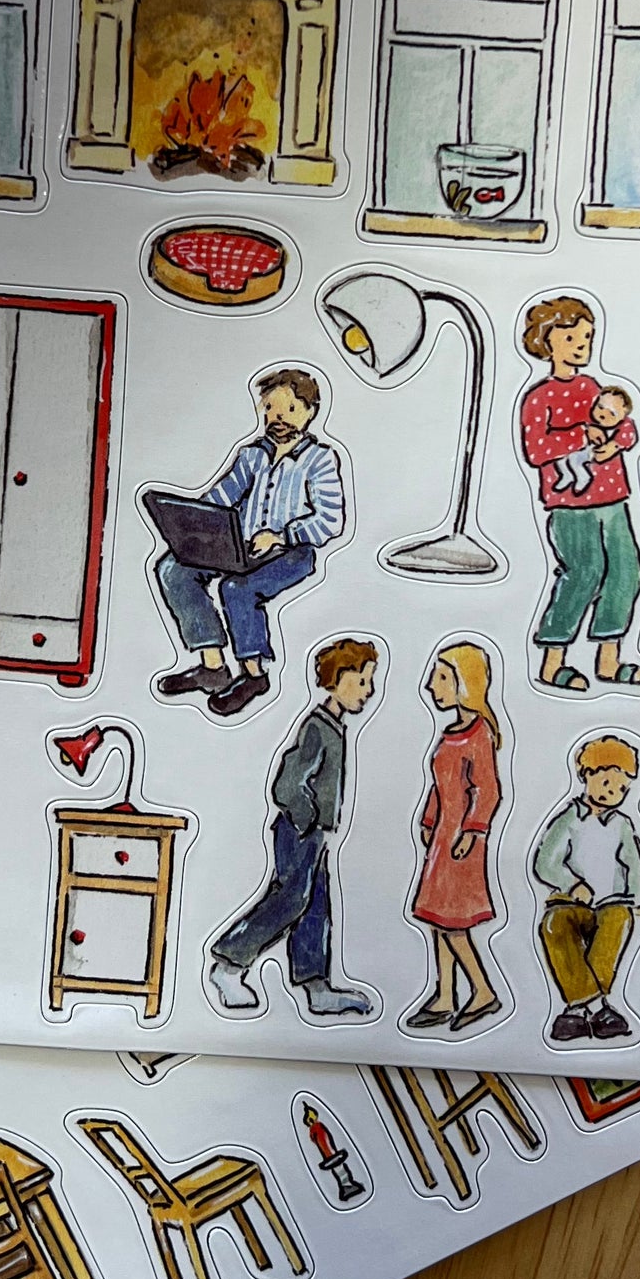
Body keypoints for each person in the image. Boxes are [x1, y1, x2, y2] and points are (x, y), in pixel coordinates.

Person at [156, 367, 346, 719]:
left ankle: (254, 675)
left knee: (237, 588)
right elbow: (222, 496)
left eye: (290, 409)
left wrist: (282, 535)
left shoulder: (319, 460)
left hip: (291, 552)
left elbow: (330, 520)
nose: (278, 417)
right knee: (173, 568)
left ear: (310, 412)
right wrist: (194, 522)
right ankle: (213, 667)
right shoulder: (253, 455)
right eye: (270, 408)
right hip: (241, 545)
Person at [208, 637, 378, 1019]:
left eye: (369, 682)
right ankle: (229, 964)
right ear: (338, 679)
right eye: (362, 681)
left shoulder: (333, 726)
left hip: (314, 833)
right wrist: (307, 819)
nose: (368, 691)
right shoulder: (318, 727)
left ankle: (316, 987)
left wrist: (319, 826)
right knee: (289, 901)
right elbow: (287, 784)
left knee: (315, 907)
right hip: (298, 830)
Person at [517, 297, 640, 691]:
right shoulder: (539, 397)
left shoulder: (592, 388)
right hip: (570, 506)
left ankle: (608, 660)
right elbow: (536, 450)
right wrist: (581, 435)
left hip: (613, 499)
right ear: (547, 342)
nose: (581, 345)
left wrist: (617, 443)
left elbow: (625, 425)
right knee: (584, 574)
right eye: (571, 338)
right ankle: (552, 663)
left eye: (587, 337)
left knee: (626, 573)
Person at [531, 734, 640, 1041]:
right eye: (607, 782)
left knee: (618, 923)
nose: (613, 792)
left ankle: (576, 1012)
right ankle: (599, 1008)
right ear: (586, 775)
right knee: (553, 927)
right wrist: (573, 884)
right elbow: (545, 863)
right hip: (569, 902)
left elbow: (633, 863)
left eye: (622, 788)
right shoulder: (569, 818)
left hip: (612, 902)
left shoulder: (622, 824)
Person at [407, 643, 504, 1032]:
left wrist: (474, 829)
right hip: (442, 836)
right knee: (437, 919)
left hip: (462, 842)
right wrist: (429, 819)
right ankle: (445, 994)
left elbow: (488, 790)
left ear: (465, 683)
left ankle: (482, 991)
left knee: (453, 923)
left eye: (442, 677)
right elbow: (440, 784)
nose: (432, 685)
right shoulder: (451, 734)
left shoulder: (479, 735)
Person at [552, 384, 632, 496]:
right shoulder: (588, 418)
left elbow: (628, 435)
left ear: (622, 418)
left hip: (593, 451)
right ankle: (567, 475)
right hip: (580, 447)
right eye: (600, 407)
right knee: (560, 459)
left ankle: (583, 477)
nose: (603, 414)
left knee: (574, 460)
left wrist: (614, 445)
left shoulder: (616, 428)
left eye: (612, 413)